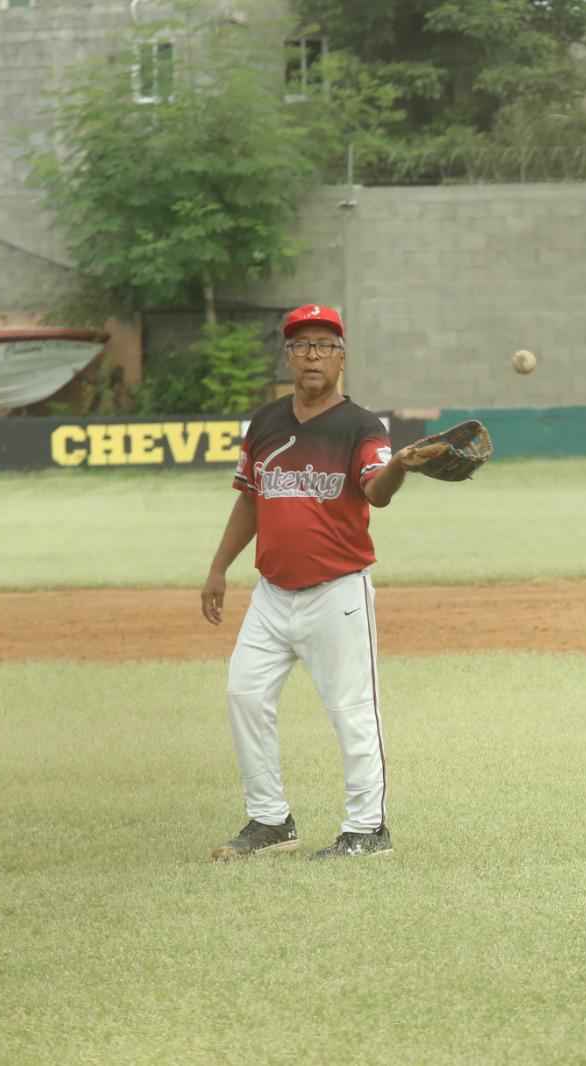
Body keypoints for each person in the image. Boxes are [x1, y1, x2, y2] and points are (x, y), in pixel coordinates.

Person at [201, 303, 435, 861]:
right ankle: (270, 821)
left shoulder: (360, 426)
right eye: (301, 345)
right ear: (287, 356)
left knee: (352, 710)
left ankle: (367, 829)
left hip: (337, 592)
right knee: (244, 694)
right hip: (271, 595)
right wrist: (218, 568)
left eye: (324, 346)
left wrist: (400, 464)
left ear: (341, 359)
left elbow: (376, 489)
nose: (312, 355)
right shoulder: (265, 423)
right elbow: (251, 499)